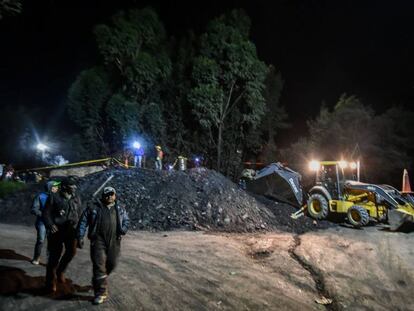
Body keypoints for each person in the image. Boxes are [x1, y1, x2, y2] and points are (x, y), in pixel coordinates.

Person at [77, 186, 129, 305]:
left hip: (114, 241)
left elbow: (126, 220)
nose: (109, 196)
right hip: (98, 240)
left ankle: (98, 281)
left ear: (115, 195)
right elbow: (83, 221)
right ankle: (100, 293)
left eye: (112, 194)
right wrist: (80, 236)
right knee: (99, 266)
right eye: (107, 194)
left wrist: (124, 229)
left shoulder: (120, 208)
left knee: (111, 264)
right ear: (103, 195)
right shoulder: (93, 207)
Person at [42, 177, 81, 292]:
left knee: (71, 252)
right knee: (54, 256)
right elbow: (46, 213)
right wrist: (50, 224)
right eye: (72, 185)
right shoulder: (54, 197)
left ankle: (60, 271)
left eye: (75, 185)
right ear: (64, 186)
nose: (75, 187)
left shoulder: (76, 198)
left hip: (71, 231)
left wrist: (79, 231)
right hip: (57, 231)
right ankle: (50, 281)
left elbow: (79, 213)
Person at [30, 180, 60, 265]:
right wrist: (44, 215)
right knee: (40, 240)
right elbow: (33, 209)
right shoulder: (40, 196)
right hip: (42, 223)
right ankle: (36, 258)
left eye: (57, 187)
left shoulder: (57, 197)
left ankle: (50, 262)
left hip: (53, 223)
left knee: (52, 242)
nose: (57, 188)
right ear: (50, 187)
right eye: (55, 187)